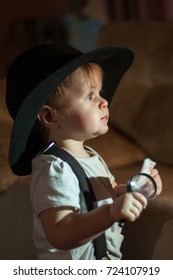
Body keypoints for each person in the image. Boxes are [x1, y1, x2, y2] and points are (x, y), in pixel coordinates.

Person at [6, 43, 162, 260]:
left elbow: (110, 190)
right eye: (90, 96)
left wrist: (136, 189)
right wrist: (110, 213)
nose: (104, 101)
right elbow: (60, 232)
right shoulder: (54, 169)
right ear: (51, 117)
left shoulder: (92, 156)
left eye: (99, 92)